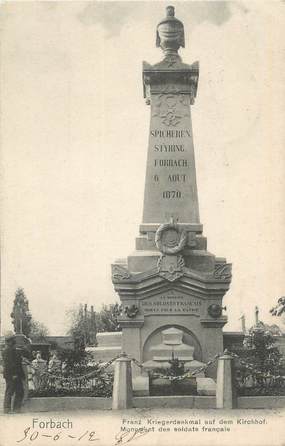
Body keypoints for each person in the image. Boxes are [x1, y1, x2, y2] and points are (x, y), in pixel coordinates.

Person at [2, 335, 25, 414]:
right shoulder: (8, 350)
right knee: (10, 390)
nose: (14, 342)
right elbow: (10, 364)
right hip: (12, 374)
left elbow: (17, 362)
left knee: (19, 390)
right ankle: (7, 409)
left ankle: (16, 409)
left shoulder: (12, 350)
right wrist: (14, 374)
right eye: (12, 340)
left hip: (15, 374)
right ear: (9, 342)